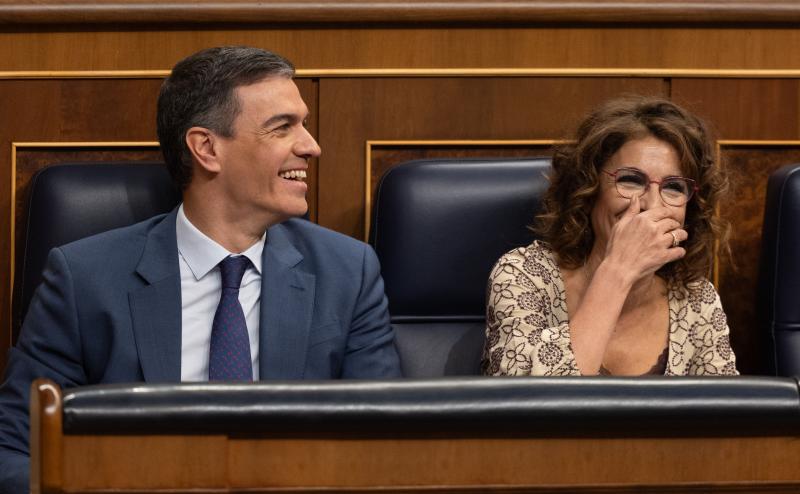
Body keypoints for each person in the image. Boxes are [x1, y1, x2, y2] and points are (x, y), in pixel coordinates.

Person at [0, 46, 401, 492]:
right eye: (282, 127)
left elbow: (384, 444)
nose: (311, 146)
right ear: (207, 148)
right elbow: (16, 449)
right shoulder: (84, 278)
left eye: (302, 125)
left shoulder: (348, 271)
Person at [482, 95, 737, 377]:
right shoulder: (524, 275)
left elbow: (723, 416)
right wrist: (618, 270)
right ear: (589, 190)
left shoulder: (695, 298)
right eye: (630, 180)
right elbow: (531, 407)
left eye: (674, 187)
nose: (652, 205)